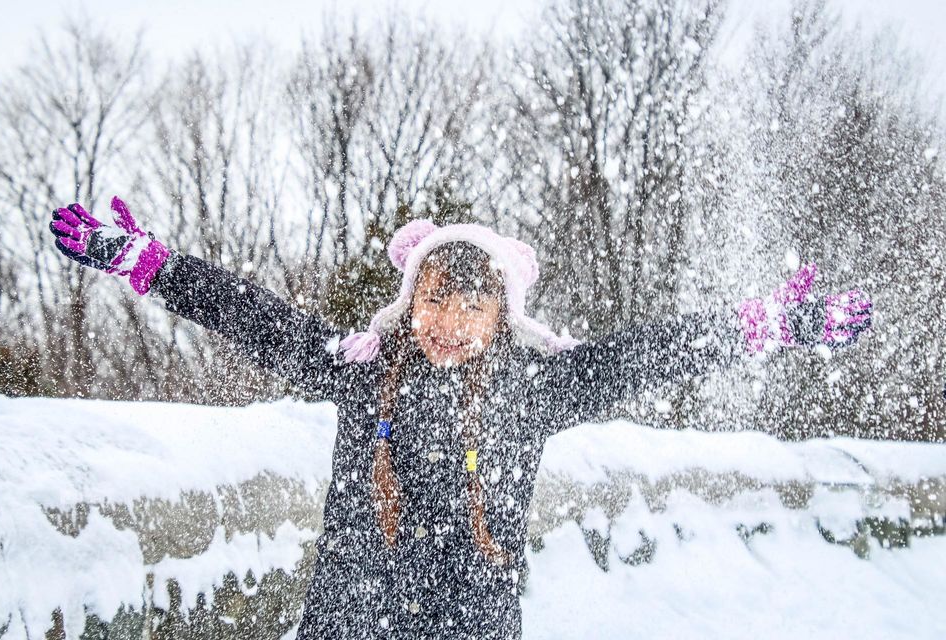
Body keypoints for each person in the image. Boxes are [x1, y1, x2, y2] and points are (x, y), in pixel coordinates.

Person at [48, 197, 872, 639]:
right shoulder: (361, 374)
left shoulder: (536, 390)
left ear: (500, 318)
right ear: (409, 304)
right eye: (434, 299)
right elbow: (256, 318)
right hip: (349, 623)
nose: (449, 319)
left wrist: (770, 325)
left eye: (472, 305)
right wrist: (150, 264)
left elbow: (651, 353)